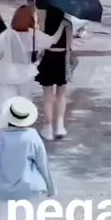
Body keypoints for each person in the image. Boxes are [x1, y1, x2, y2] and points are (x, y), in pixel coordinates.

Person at [0, 5, 66, 128]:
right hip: (26, 74)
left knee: (5, 102)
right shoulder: (34, 35)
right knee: (25, 101)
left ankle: (2, 128)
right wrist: (62, 25)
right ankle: (22, 126)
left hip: (7, 74)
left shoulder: (5, 35)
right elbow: (53, 41)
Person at [35, 8, 75, 140]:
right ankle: (59, 125)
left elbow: (41, 41)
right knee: (61, 94)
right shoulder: (67, 23)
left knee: (47, 95)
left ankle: (48, 128)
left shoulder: (43, 18)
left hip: (48, 57)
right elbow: (69, 47)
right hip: (62, 58)